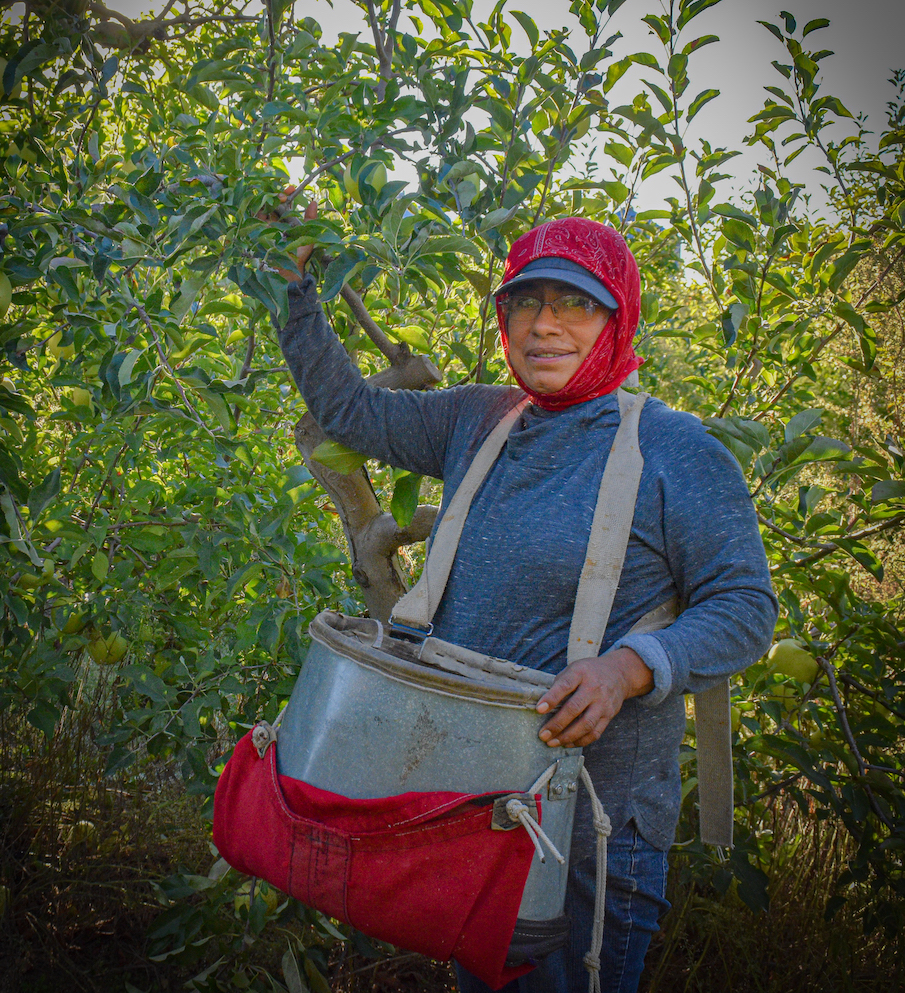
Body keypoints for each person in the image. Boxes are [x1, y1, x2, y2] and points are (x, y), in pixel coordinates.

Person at [275, 216, 777, 993]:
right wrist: (294, 290)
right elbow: (352, 413)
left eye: (574, 305)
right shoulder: (478, 419)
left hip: (595, 831)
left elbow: (745, 606)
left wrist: (630, 667)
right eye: (525, 302)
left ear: (618, 318)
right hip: (478, 806)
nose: (543, 324)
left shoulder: (676, 451)